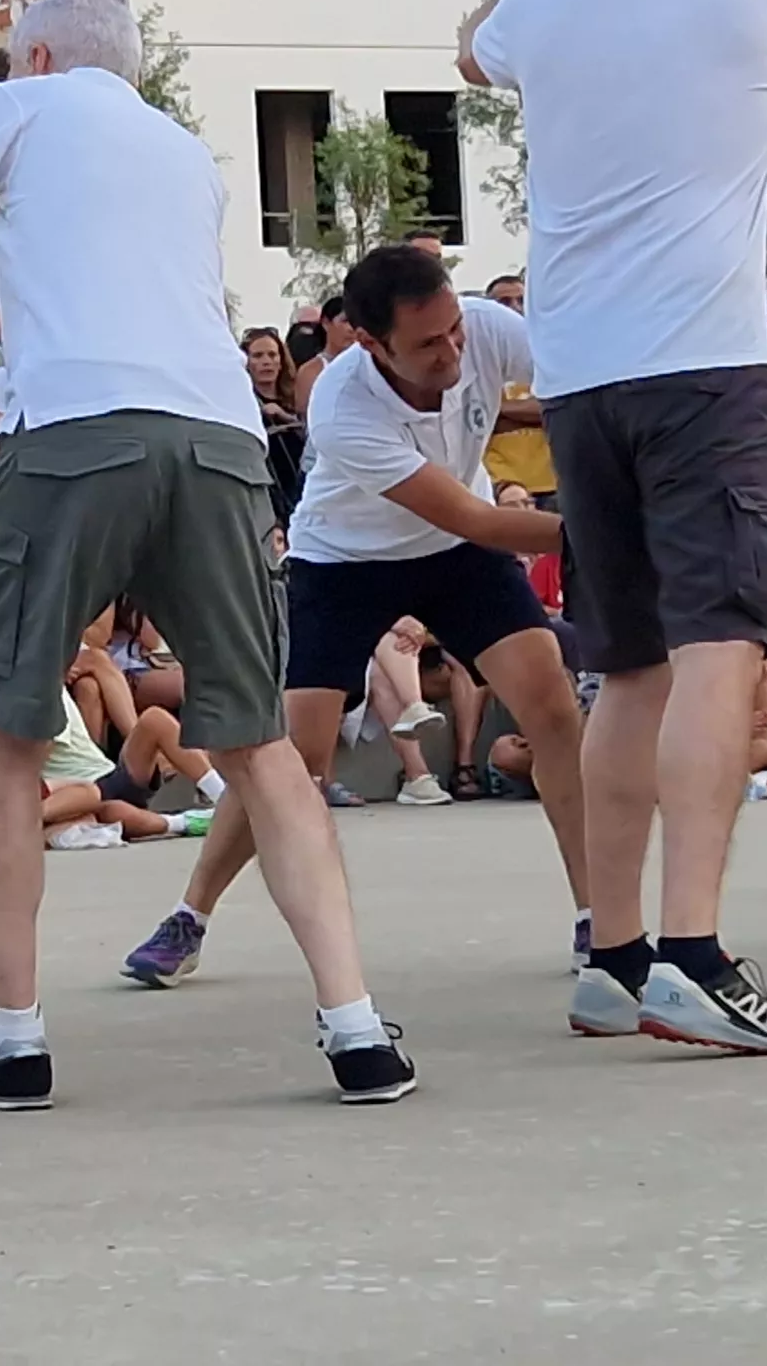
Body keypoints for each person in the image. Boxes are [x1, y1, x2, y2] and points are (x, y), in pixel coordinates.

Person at [0, 0, 413, 1109]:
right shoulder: (183, 153)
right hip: (219, 444)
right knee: (262, 745)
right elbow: (143, 358)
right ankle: (356, 1027)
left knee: (9, 738)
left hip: (71, 440)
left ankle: (13, 1039)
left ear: (32, 56)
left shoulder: (15, 109)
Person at [457, 0, 767, 1052]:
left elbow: (472, 50)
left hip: (578, 371)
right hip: (702, 363)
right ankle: (694, 952)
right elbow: (759, 44)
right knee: (723, 645)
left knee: (629, 667)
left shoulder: (537, 11)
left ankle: (611, 953)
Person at [122, 245, 584, 992]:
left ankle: (601, 918)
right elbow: (477, 517)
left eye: (455, 330)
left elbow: (584, 388)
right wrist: (613, 528)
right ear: (370, 343)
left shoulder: (491, 328)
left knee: (553, 707)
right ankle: (190, 915)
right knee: (291, 764)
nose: (454, 351)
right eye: (428, 344)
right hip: (345, 560)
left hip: (458, 558)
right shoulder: (340, 406)